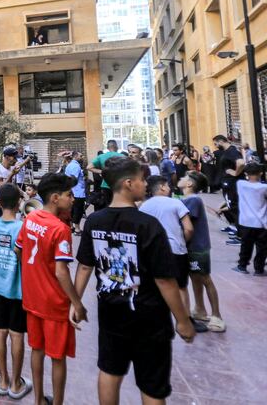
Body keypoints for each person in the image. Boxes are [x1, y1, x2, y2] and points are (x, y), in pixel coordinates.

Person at [73, 156, 196, 405]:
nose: (144, 185)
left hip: (110, 311)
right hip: (149, 316)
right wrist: (183, 320)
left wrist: (75, 303)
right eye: (141, 180)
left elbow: (85, 266)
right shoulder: (148, 225)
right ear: (128, 183)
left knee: (110, 370)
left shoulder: (94, 221)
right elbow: (165, 281)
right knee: (152, 383)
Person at [15, 173, 86, 405]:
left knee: (36, 349)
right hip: (54, 303)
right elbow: (61, 272)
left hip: (32, 298)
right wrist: (77, 304)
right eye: (69, 195)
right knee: (57, 357)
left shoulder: (31, 217)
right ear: (55, 198)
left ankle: (38, 400)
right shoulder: (60, 229)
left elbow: (19, 249)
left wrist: (32, 271)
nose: (73, 199)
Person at [140, 176, 207, 333]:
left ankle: (153, 321)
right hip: (176, 250)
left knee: (153, 285)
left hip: (152, 252)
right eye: (168, 186)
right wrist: (182, 241)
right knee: (181, 287)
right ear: (162, 187)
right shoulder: (176, 203)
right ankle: (185, 320)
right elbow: (189, 228)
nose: (170, 188)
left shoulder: (144, 206)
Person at [0, 184, 32, 400]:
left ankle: (3, 380)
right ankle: (16, 383)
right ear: (19, 203)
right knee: (16, 335)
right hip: (19, 290)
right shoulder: (24, 227)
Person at [179, 171, 225, 332]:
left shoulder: (193, 200)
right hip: (191, 247)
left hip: (197, 247)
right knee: (195, 278)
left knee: (205, 279)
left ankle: (217, 315)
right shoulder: (187, 200)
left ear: (190, 184)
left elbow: (184, 223)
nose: (180, 179)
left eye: (184, 177)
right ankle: (200, 309)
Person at [233, 163, 267, 275]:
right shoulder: (264, 187)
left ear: (246, 174)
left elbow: (241, 168)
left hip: (246, 222)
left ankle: (242, 265)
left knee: (246, 245)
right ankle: (259, 269)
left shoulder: (241, 184)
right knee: (261, 247)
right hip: (262, 222)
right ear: (261, 173)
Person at [89, 140, 125, 209]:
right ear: (116, 146)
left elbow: (89, 167)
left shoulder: (101, 156)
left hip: (105, 185)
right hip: (119, 185)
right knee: (120, 205)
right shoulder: (122, 156)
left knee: (108, 205)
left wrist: (102, 171)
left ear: (107, 147)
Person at [65, 151, 86, 234]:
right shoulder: (75, 166)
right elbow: (73, 179)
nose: (82, 157)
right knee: (78, 210)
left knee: (72, 210)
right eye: (80, 155)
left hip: (73, 191)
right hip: (78, 192)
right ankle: (77, 229)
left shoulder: (70, 165)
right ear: (76, 156)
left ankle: (71, 227)